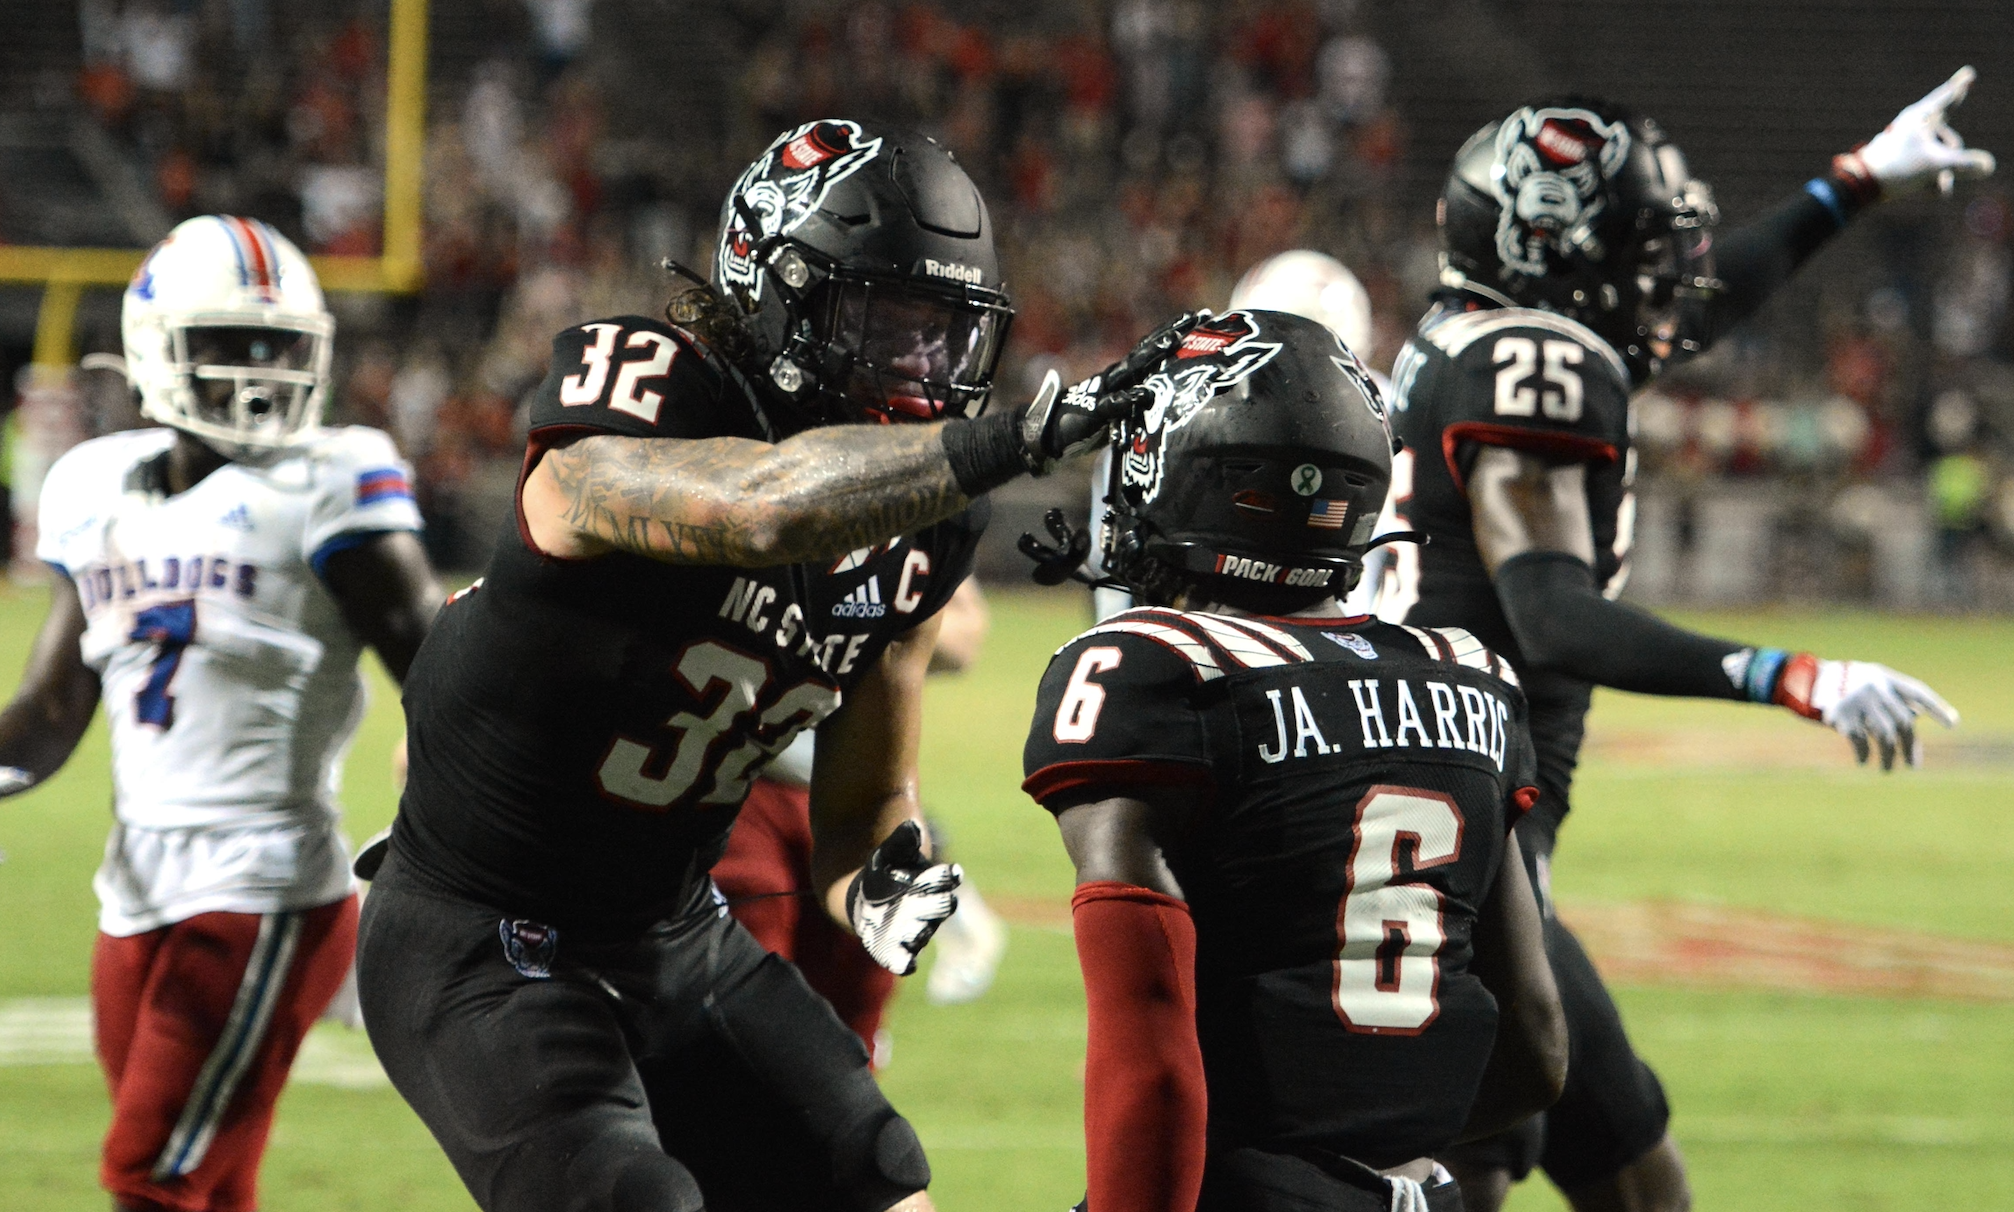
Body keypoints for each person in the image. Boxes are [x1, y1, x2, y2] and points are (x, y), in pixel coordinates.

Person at [352, 118, 1184, 1212]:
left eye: (943, 331)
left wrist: (878, 876)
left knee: (879, 1178)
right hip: (485, 934)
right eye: (885, 319)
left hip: (673, 930)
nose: (919, 363)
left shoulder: (924, 524)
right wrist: (1011, 443)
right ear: (773, 290)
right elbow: (759, 510)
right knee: (634, 1198)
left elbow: (863, 801)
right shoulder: (640, 396)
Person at [1376, 72, 1987, 1212]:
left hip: (1465, 817)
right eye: (1636, 243)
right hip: (1463, 840)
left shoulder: (1478, 336)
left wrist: (1852, 179)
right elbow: (1553, 612)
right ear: (1554, 253)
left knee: (1634, 1176)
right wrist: (1791, 675)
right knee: (1483, 1171)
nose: (1671, 270)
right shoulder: (1535, 369)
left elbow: (1705, 301)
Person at [1020, 310, 1567, 1212]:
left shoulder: (1154, 668)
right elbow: (1536, 1050)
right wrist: (1367, 1142)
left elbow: (1150, 1070)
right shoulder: (1469, 675)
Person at [0, 215, 440, 1212]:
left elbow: (445, 668)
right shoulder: (94, 482)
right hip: (137, 882)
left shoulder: (331, 480)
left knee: (150, 1173)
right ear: (158, 347)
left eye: (280, 347)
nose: (260, 372)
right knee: (213, 1180)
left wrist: (454, 834)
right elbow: (49, 708)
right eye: (229, 344)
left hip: (267, 882)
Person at [714, 577, 1008, 1067]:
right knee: (740, 1021)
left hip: (866, 790)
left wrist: (871, 629)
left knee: (849, 1038)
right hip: (738, 790)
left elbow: (963, 635)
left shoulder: (908, 526)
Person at [1090, 248, 1380, 621]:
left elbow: (1120, 591)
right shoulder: (1384, 411)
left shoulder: (1173, 411)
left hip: (1217, 641)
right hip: (1358, 642)